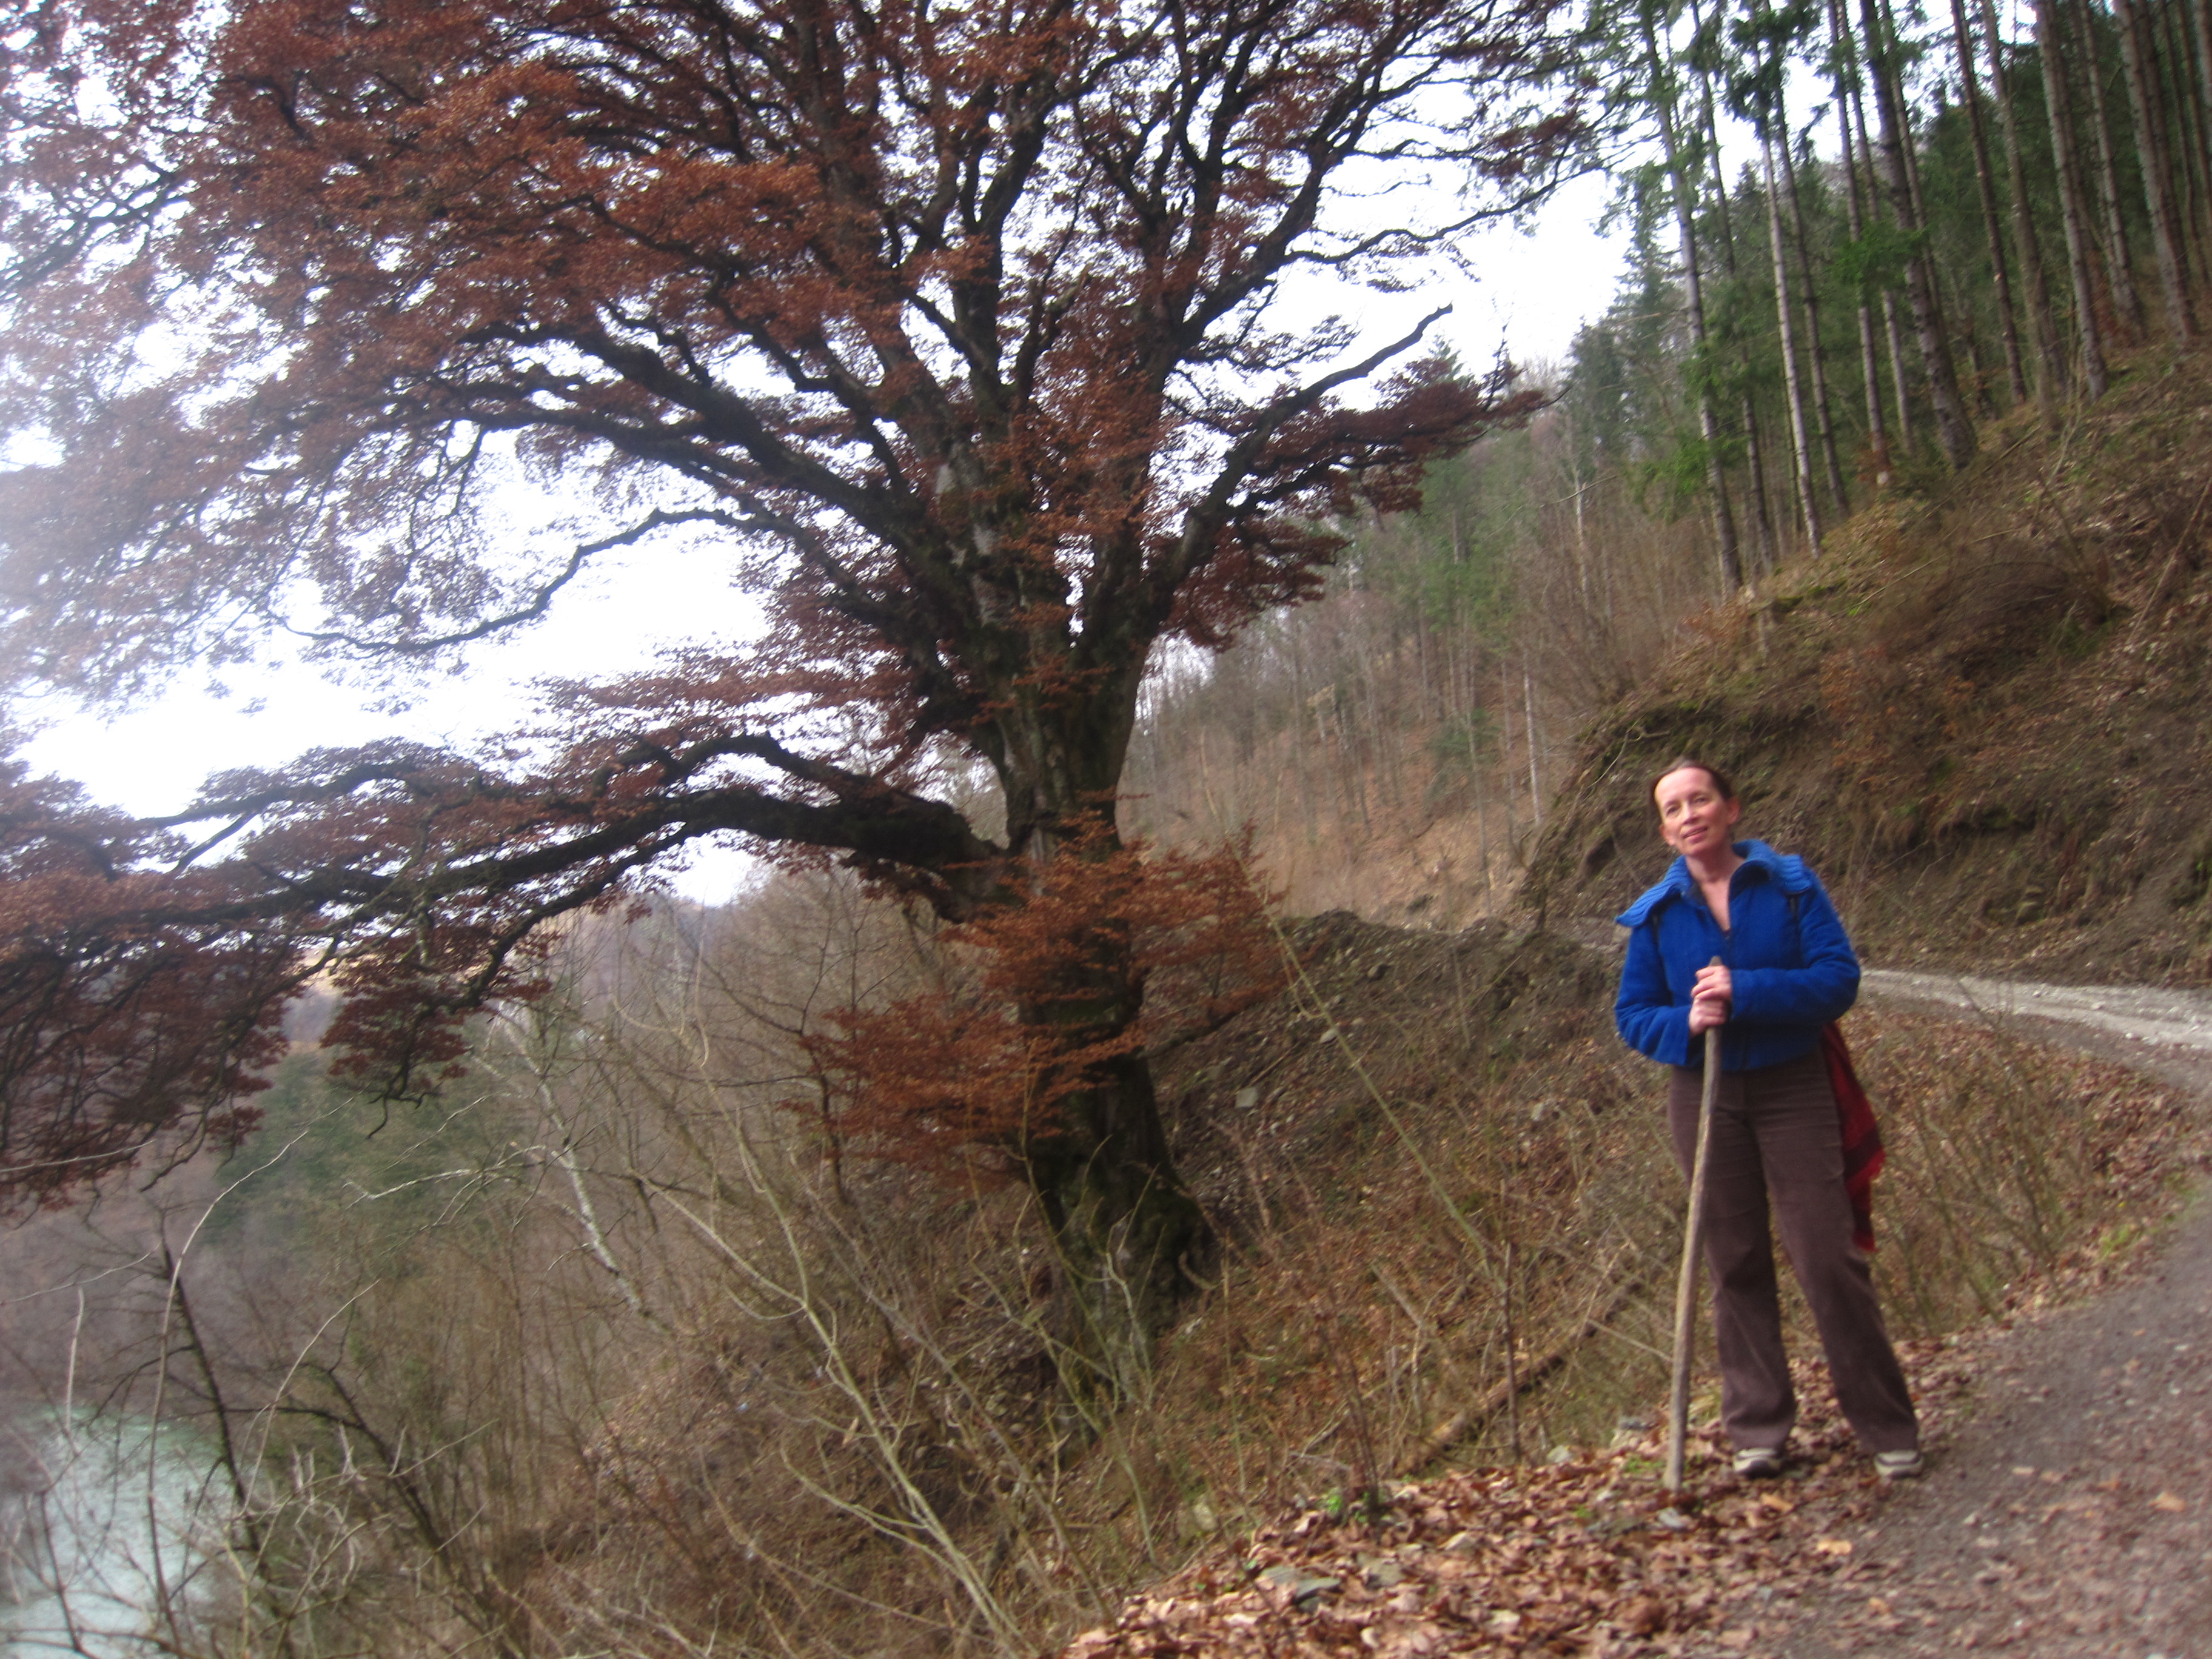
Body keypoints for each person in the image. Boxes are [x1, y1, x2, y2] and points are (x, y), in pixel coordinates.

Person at [1615, 757, 1922, 1481]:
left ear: (1731, 809)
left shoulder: (1790, 886)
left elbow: (1837, 978)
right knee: (1735, 1260)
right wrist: (1686, 1022)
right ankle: (1758, 1429)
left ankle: (1886, 1426)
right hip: (1704, 1094)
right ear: (1665, 832)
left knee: (1827, 1255)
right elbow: (1633, 1014)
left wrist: (1745, 990)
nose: (1689, 815)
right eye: (1673, 809)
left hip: (1793, 1085)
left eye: (1700, 800)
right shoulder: (1656, 916)